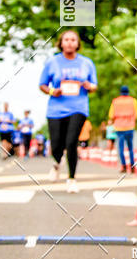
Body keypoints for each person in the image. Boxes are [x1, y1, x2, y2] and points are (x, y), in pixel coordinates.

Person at [39, 30, 98, 193]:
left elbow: (94, 85)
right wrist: (52, 91)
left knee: (72, 142)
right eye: (67, 39)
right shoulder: (52, 62)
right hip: (56, 109)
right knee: (57, 144)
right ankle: (57, 163)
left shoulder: (86, 63)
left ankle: (71, 178)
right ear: (61, 43)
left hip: (78, 107)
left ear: (78, 44)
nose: (70, 42)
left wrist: (89, 86)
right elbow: (42, 84)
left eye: (73, 40)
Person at [108, 85, 137, 173]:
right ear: (128, 92)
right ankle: (132, 167)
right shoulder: (133, 101)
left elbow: (111, 115)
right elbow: (136, 114)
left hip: (119, 127)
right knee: (130, 147)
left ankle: (124, 166)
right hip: (130, 127)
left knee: (121, 147)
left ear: (120, 92)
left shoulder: (115, 101)